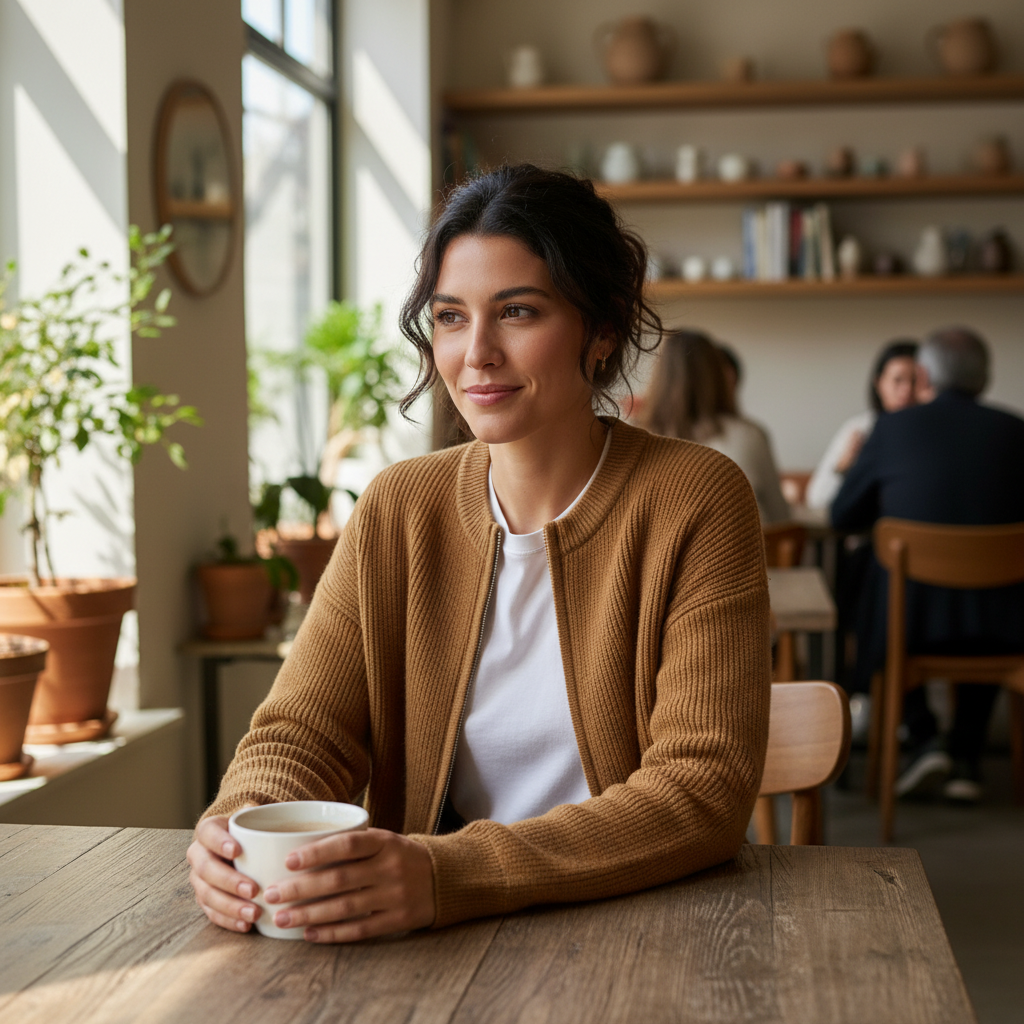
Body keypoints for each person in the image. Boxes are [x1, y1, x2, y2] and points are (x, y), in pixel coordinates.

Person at [187, 165, 771, 943]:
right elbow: (300, 733)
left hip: (639, 926)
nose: (476, 354)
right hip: (428, 938)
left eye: (518, 312)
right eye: (451, 317)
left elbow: (703, 790)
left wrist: (446, 873)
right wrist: (239, 830)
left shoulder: (696, 497)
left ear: (601, 330)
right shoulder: (398, 507)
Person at [831, 327, 1024, 802]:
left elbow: (842, 516)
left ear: (925, 375)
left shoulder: (893, 428)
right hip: (1004, 623)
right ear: (985, 377)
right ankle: (966, 757)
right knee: (996, 596)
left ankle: (923, 737)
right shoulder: (1016, 433)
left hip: (909, 622)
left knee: (873, 573)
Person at [640, 330, 791, 524]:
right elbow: (781, 516)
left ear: (659, 376)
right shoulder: (749, 435)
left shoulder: (634, 438)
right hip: (746, 550)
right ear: (717, 375)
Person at [806, 339, 918, 510]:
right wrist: (844, 466)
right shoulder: (860, 428)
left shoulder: (936, 432)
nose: (907, 390)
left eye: (915, 381)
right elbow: (817, 499)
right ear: (879, 383)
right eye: (898, 380)